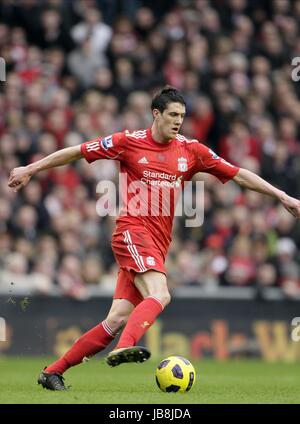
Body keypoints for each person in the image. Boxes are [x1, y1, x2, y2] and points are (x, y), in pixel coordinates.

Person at [8, 87, 300, 391]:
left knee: (117, 318)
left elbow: (238, 174)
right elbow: (77, 151)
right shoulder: (128, 142)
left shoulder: (191, 150)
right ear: (156, 114)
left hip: (157, 244)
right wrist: (31, 168)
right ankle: (127, 346)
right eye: (172, 115)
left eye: (182, 117)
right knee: (160, 294)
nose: (178, 122)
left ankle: (52, 372)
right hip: (131, 233)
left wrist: (282, 196)